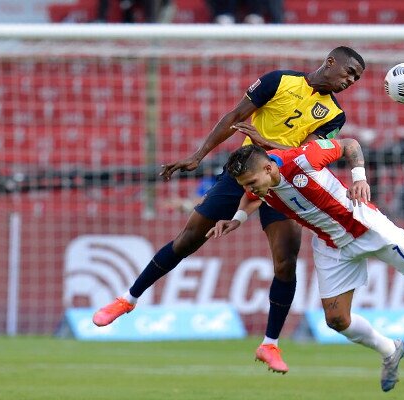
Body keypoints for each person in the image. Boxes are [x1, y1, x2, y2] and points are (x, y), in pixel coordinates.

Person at [92, 46, 366, 374]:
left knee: (285, 261)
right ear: (331, 61)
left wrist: (264, 140)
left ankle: (270, 344)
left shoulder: (335, 115)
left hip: (288, 182)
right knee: (189, 239)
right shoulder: (279, 81)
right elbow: (234, 117)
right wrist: (198, 155)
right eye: (349, 72)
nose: (350, 81)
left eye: (356, 78)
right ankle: (128, 299)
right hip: (245, 172)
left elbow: (307, 154)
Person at [208, 140, 404, 391]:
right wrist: (236, 219)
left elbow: (350, 145)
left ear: (268, 166)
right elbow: (251, 197)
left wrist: (358, 178)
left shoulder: (301, 160)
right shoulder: (258, 183)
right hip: (332, 245)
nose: (252, 188)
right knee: (335, 319)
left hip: (365, 226)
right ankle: (390, 350)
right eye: (246, 184)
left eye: (253, 181)